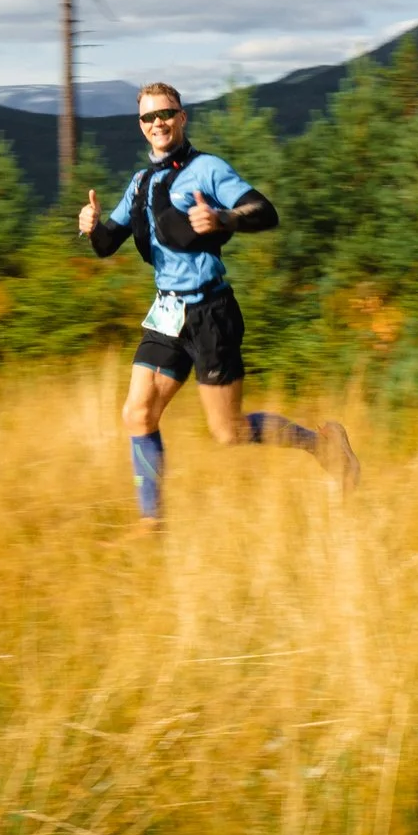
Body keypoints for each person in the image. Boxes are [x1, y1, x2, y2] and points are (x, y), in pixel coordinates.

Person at [77, 82, 358, 529]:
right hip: (167, 315)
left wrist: (222, 218)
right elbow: (107, 244)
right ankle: (154, 524)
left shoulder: (207, 169)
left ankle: (322, 445)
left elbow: (264, 211)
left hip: (211, 314)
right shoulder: (140, 182)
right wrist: (91, 227)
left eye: (166, 114)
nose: (158, 123)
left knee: (229, 432)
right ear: (141, 126)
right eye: (149, 118)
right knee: (137, 413)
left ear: (182, 117)